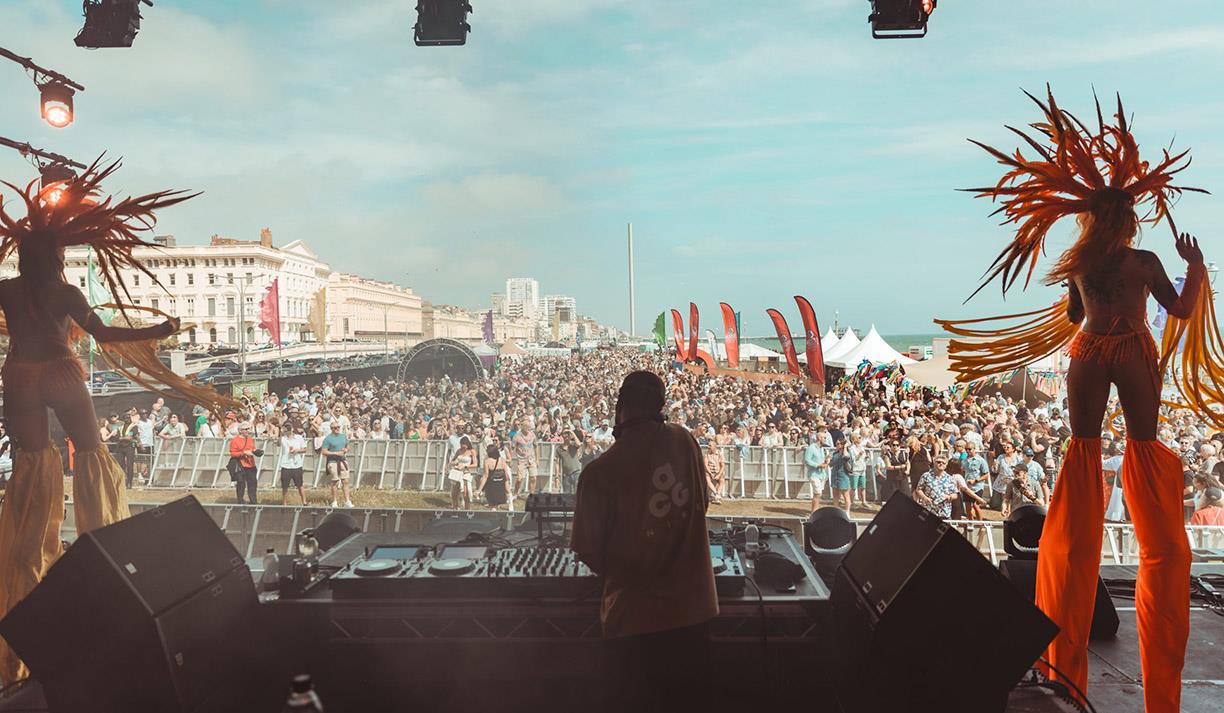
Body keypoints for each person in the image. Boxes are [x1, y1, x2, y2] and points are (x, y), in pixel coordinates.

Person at [936, 90, 1210, 711]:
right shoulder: (1143, 260)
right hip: (1134, 351)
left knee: (1083, 459)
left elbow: (1074, 314)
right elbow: (1184, 312)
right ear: (1128, 218)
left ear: (1093, 219)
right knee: (1143, 453)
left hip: (1090, 353)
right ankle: (1159, 567)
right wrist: (1194, 265)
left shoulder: (1082, 263)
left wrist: (1093, 297)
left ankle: (1064, 642)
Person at [571, 371, 716, 713]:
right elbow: (702, 505)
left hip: (632, 622)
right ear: (661, 407)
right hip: (695, 612)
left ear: (619, 408)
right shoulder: (686, 442)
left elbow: (589, 552)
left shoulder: (598, 473)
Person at [321, 420, 353, 508]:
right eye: (335, 428)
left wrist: (346, 450)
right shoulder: (328, 439)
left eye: (338, 427)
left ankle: (347, 501)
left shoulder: (343, 436)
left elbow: (348, 446)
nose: (337, 429)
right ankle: (334, 501)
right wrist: (335, 453)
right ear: (331, 429)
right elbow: (324, 452)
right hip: (333, 462)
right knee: (335, 481)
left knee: (345, 481)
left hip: (343, 460)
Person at [915, 456, 958, 520]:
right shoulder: (926, 476)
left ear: (946, 465)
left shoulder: (950, 478)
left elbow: (955, 494)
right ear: (934, 463)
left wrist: (950, 497)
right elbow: (918, 489)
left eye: (943, 463)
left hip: (944, 512)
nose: (941, 464)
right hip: (929, 510)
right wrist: (924, 498)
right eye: (938, 462)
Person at [228, 423, 258, 505]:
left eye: (249, 428)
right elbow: (233, 454)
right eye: (246, 429)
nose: (248, 430)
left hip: (251, 464)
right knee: (241, 484)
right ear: (240, 431)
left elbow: (252, 448)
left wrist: (256, 451)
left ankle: (253, 501)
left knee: (253, 483)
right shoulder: (235, 441)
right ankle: (240, 500)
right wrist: (244, 453)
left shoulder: (250, 439)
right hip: (241, 465)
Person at [279, 423, 308, 506]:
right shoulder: (283, 438)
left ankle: (304, 502)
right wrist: (280, 434)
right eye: (286, 428)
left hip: (296, 464)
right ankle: (284, 503)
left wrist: (297, 451)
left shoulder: (298, 438)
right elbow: (278, 444)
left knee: (300, 484)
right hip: (286, 464)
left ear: (292, 428)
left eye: (289, 427)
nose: (288, 429)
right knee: (285, 486)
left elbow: (305, 449)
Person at [477, 443, 510, 510]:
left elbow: (486, 475)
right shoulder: (502, 460)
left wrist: (479, 489)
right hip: (500, 484)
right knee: (496, 505)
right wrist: (507, 484)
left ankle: (493, 512)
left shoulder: (487, 461)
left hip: (492, 484)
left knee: (492, 504)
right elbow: (506, 474)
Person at [448, 436, 477, 509]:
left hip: (465, 473)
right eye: (461, 445)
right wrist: (454, 463)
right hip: (457, 472)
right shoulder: (459, 451)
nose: (463, 447)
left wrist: (466, 467)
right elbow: (453, 460)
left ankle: (467, 509)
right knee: (454, 493)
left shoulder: (472, 451)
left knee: (465, 493)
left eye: (464, 446)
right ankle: (455, 508)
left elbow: (475, 464)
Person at [805, 433, 831, 511]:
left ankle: (815, 509)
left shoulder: (821, 449)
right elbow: (807, 460)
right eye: (824, 438)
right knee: (817, 493)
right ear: (819, 438)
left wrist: (826, 460)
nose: (825, 439)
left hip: (821, 474)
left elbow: (821, 460)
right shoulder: (811, 448)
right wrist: (818, 465)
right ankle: (814, 511)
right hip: (814, 474)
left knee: (818, 494)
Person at [829, 438, 854, 514]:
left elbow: (846, 457)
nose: (836, 445)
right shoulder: (834, 454)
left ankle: (847, 511)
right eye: (836, 444)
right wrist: (828, 459)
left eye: (838, 444)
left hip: (843, 476)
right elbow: (830, 465)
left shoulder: (847, 452)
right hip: (835, 475)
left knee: (845, 494)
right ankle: (836, 510)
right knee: (835, 495)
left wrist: (845, 447)